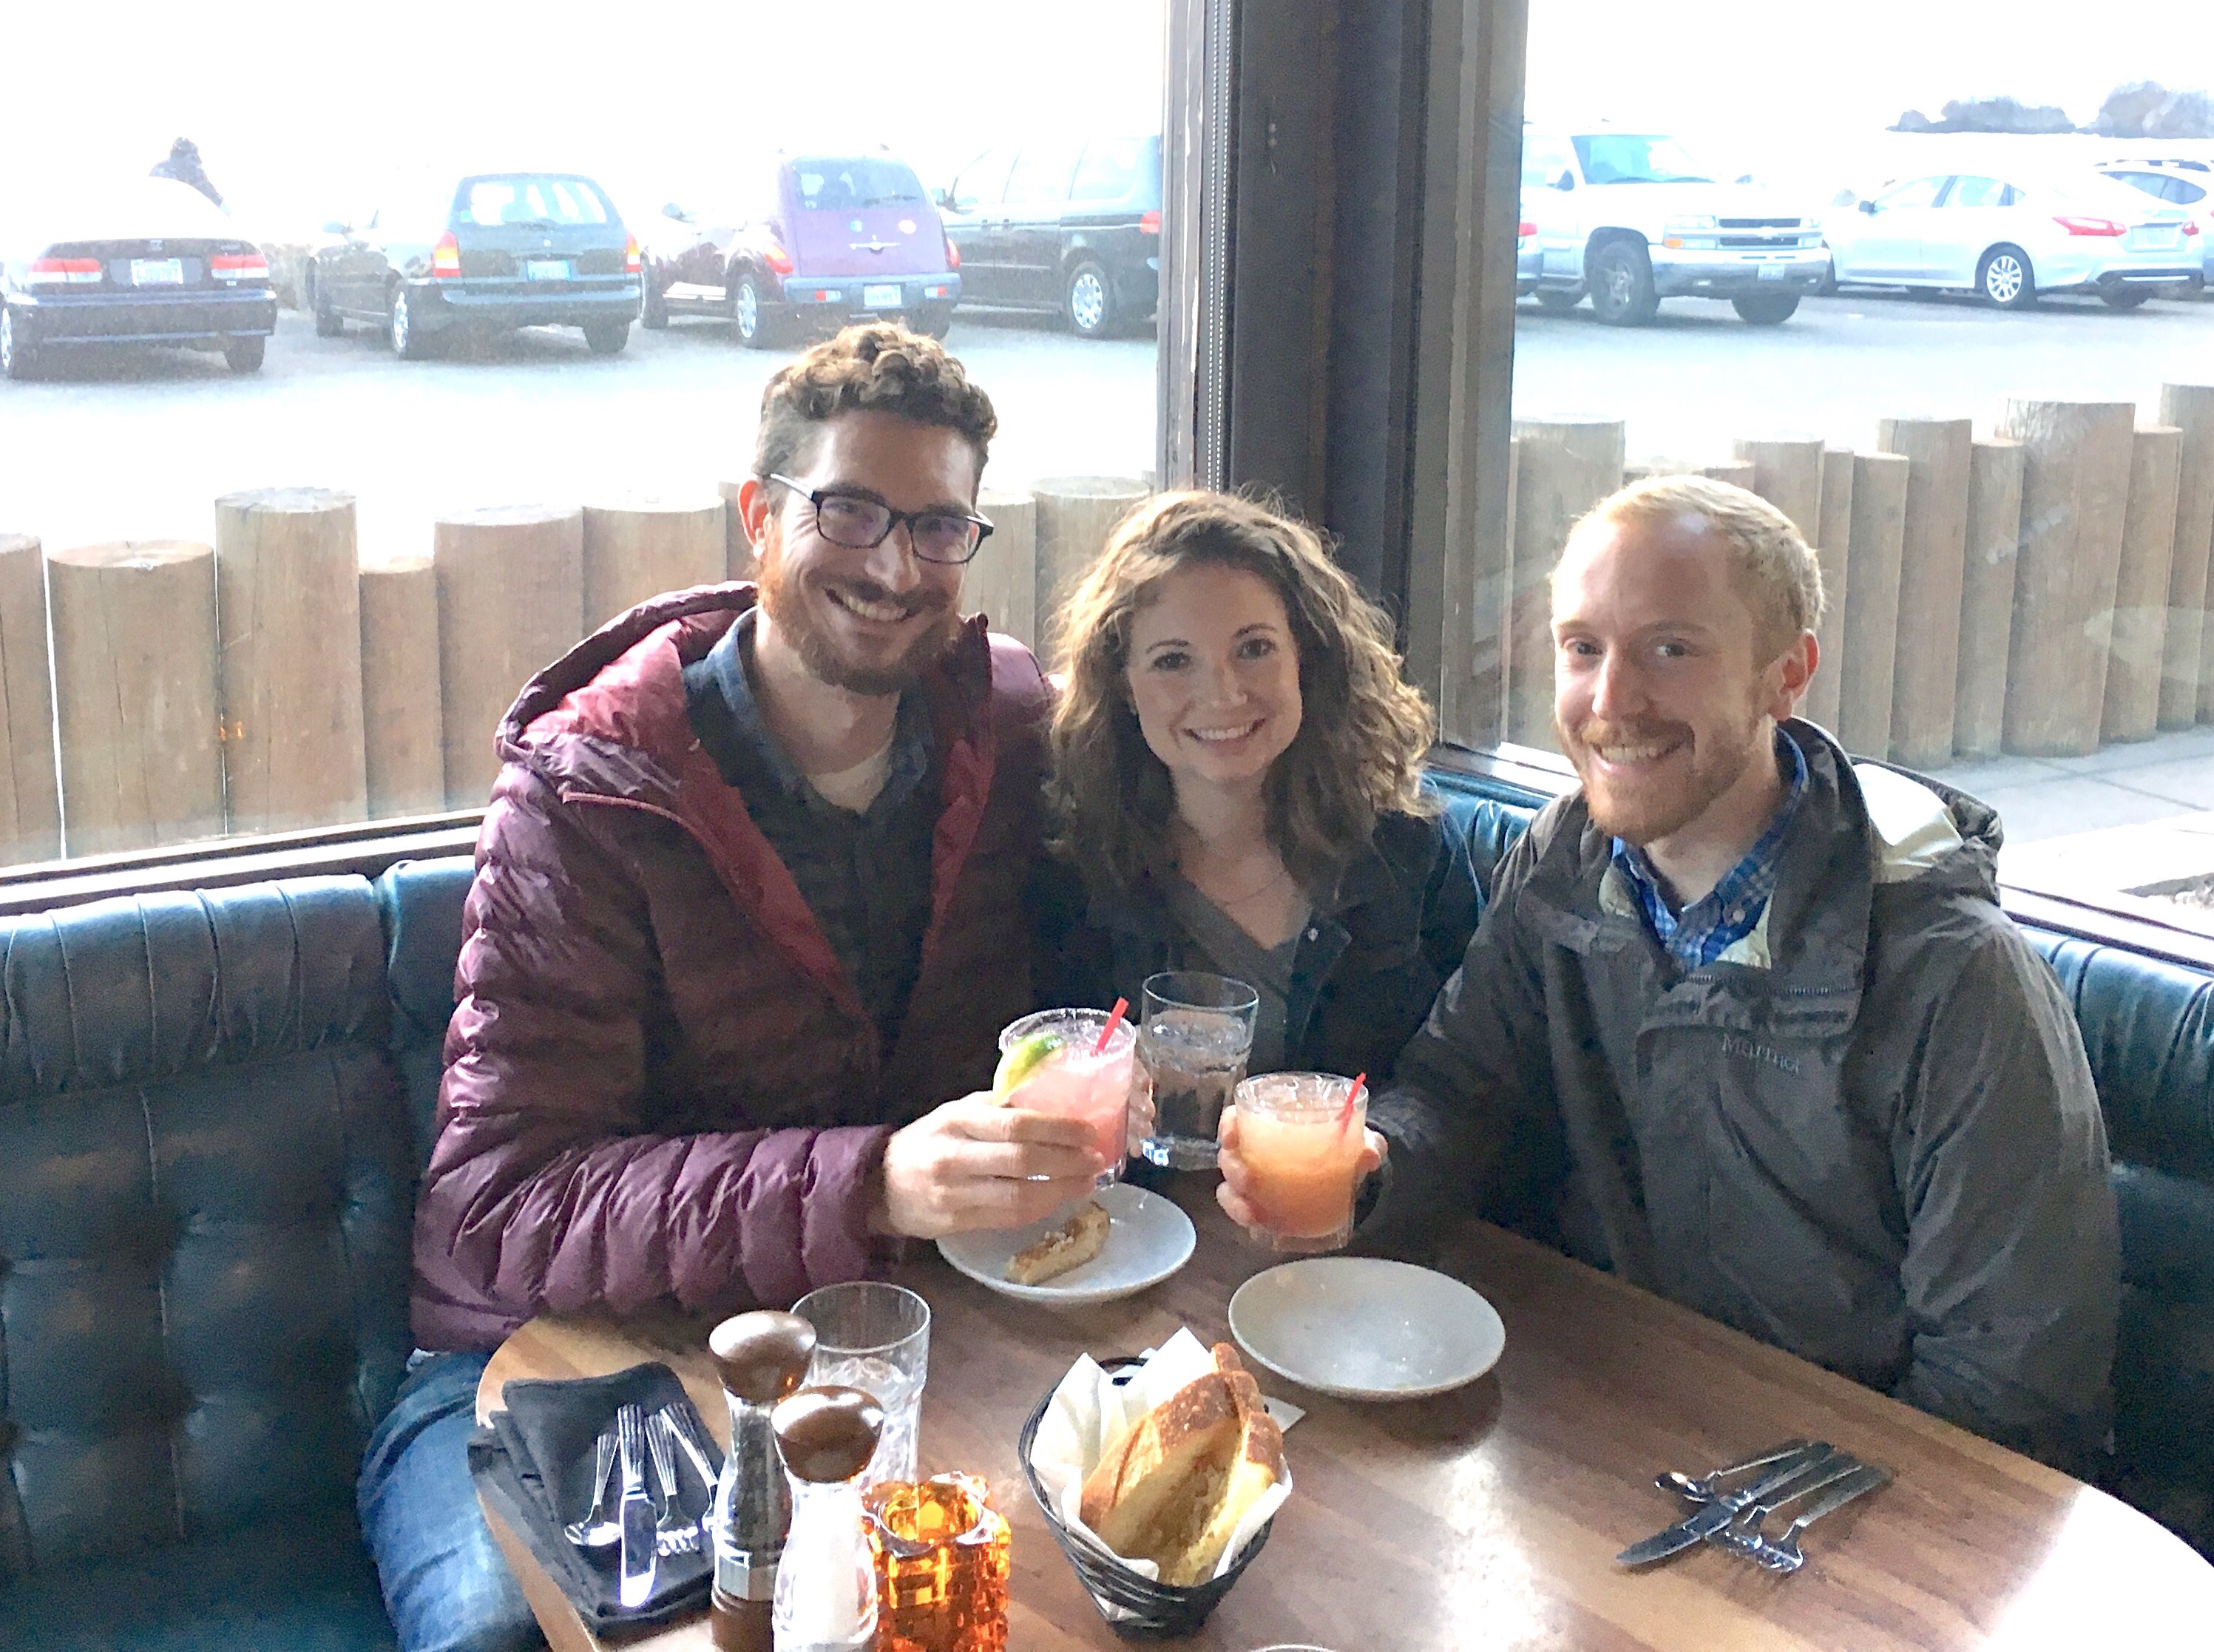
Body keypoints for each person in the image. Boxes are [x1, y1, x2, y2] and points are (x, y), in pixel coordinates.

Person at [359, 325, 1109, 1652]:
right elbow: (498, 1209)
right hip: (549, 1367)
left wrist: (1122, 1070)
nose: (894, 566)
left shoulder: (1003, 730)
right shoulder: (590, 792)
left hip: (882, 1340)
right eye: (849, 509)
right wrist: (868, 1181)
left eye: (937, 526)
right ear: (759, 514)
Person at [1269, 473, 2121, 1469]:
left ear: (1784, 674)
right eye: (1582, 648)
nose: (1610, 701)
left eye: (1669, 649)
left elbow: (2008, 1391)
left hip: (1826, 1494)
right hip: (1601, 1422)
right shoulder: (1563, 858)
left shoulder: (1958, 978)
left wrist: (1792, 1510)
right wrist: (1370, 1169)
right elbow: (1461, 1087)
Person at [1035, 490, 1483, 1091]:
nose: (1223, 694)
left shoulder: (1410, 847)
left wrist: (1375, 1143)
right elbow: (1039, 1081)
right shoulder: (1074, 866)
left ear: (1305, 656)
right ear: (1123, 686)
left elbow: (1471, 1087)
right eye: (1172, 661)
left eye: (1254, 649)